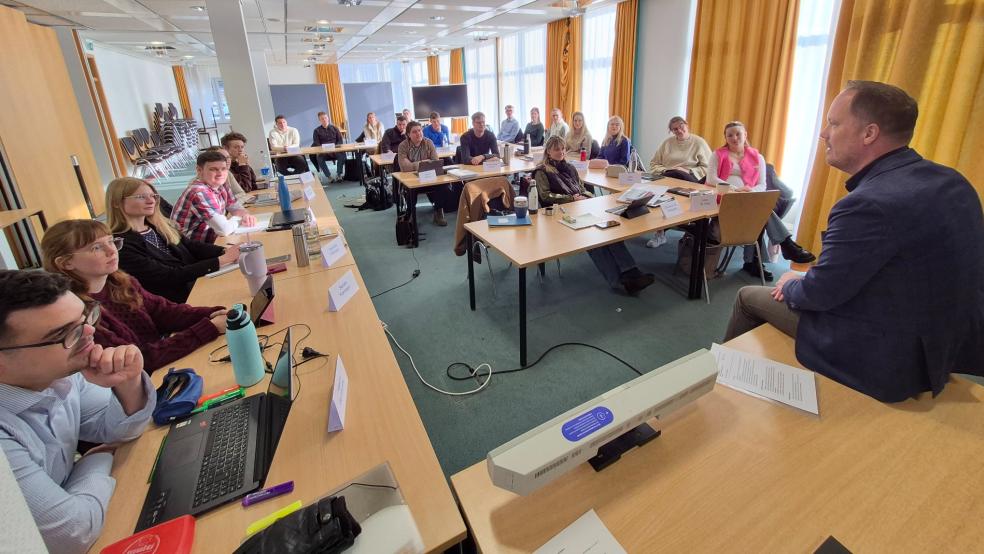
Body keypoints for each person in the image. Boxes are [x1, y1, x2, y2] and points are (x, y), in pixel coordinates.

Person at [724, 80, 984, 402]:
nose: (824, 134)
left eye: (833, 123)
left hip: (885, 356)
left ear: (869, 133)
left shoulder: (867, 204)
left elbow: (820, 294)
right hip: (943, 344)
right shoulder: (953, 182)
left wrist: (792, 283)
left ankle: (722, 392)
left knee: (748, 296)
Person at [0, 270, 156, 554]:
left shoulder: (60, 376)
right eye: (64, 334)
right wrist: (94, 459)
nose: (90, 334)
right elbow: (73, 533)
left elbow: (121, 430)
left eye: (85, 318)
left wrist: (128, 382)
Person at [42, 219, 227, 374]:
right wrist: (208, 328)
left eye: (111, 242)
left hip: (159, 363)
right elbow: (139, 359)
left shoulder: (121, 282)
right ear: (66, 263)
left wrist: (213, 313)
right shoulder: (78, 313)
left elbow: (163, 311)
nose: (111, 251)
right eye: (96, 248)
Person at [534, 136, 655, 295]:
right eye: (557, 149)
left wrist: (586, 197)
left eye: (563, 148)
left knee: (609, 230)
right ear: (548, 152)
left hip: (580, 208)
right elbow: (545, 196)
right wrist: (572, 198)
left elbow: (582, 188)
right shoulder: (542, 171)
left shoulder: (569, 167)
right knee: (593, 239)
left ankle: (631, 273)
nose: (561, 152)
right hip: (559, 213)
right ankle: (618, 281)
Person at [708, 121, 815, 279]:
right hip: (724, 199)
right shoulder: (717, 154)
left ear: (745, 135)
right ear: (725, 137)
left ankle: (756, 261)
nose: (734, 138)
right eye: (730, 135)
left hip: (748, 199)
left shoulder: (758, 157)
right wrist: (735, 189)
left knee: (760, 212)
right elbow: (711, 179)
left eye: (738, 134)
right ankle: (785, 245)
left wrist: (749, 191)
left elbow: (762, 185)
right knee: (762, 213)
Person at [106, 177, 240, 304]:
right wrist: (222, 260)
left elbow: (192, 246)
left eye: (153, 196)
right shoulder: (120, 246)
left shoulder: (159, 226)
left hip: (197, 285)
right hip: (179, 301)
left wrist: (225, 251)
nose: (151, 201)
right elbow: (168, 276)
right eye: (141, 197)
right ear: (116, 203)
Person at [170, 150, 256, 244]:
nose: (220, 173)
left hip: (211, 241)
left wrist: (246, 216)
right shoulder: (199, 192)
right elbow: (224, 229)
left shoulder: (221, 185)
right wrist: (239, 218)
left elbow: (236, 208)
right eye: (213, 169)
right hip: (192, 248)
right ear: (199, 170)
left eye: (223, 169)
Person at [398, 121, 448, 227]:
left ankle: (438, 211)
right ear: (408, 134)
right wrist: (422, 163)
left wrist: (414, 164)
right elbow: (405, 167)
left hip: (428, 177)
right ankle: (410, 213)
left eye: (420, 130)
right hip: (412, 179)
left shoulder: (428, 142)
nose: (418, 133)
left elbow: (435, 162)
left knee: (443, 184)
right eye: (414, 132)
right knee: (410, 188)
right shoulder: (403, 146)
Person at [649, 116, 712, 183]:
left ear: (687, 125)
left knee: (678, 173)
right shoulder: (667, 143)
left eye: (681, 127)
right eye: (675, 129)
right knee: (673, 174)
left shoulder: (699, 142)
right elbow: (654, 164)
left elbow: (709, 167)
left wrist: (689, 171)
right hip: (668, 175)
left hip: (689, 177)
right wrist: (666, 170)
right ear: (672, 131)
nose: (679, 130)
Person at [312, 111, 345, 183]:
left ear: (328, 118)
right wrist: (325, 150)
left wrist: (335, 148)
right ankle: (329, 176)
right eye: (322, 119)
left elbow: (340, 140)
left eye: (325, 118)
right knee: (319, 158)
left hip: (335, 151)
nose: (324, 120)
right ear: (319, 120)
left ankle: (339, 174)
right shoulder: (316, 131)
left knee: (342, 156)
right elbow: (316, 143)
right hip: (324, 152)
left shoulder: (335, 128)